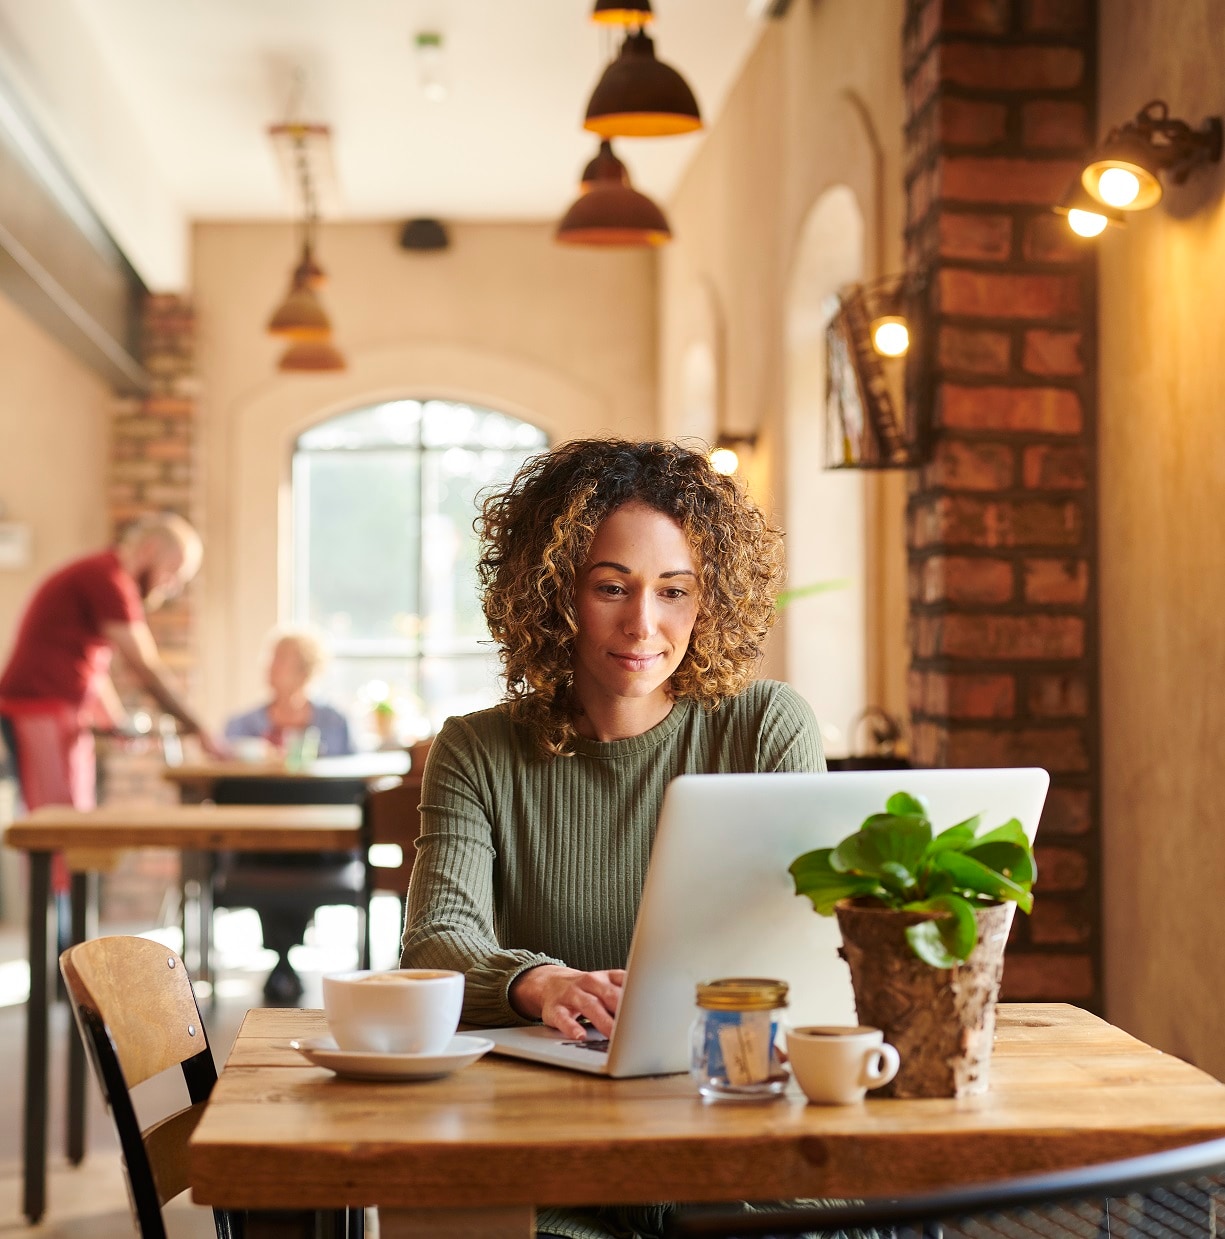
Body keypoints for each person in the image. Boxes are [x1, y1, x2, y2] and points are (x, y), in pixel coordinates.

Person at [400, 438, 823, 1239]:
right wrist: (538, 983)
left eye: (673, 590)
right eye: (610, 587)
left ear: (710, 601)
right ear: (552, 591)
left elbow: (803, 946)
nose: (642, 623)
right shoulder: (476, 749)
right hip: (556, 1159)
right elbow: (432, 944)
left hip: (740, 1146)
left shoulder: (765, 725)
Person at [0, 513, 225, 899]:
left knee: (76, 829)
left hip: (59, 710)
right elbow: (146, 669)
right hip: (40, 708)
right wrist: (200, 730)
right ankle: (59, 946)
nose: (169, 587)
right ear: (151, 549)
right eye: (173, 572)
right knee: (62, 830)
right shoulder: (107, 578)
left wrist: (117, 721)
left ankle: (69, 938)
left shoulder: (100, 576)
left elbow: (93, 667)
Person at [223, 629, 356, 1003]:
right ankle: (284, 957)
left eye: (279, 660)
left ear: (304, 671)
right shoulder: (241, 726)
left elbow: (356, 780)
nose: (269, 667)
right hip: (259, 842)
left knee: (300, 859)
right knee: (270, 856)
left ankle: (282, 958)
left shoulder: (335, 723)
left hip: (322, 845)